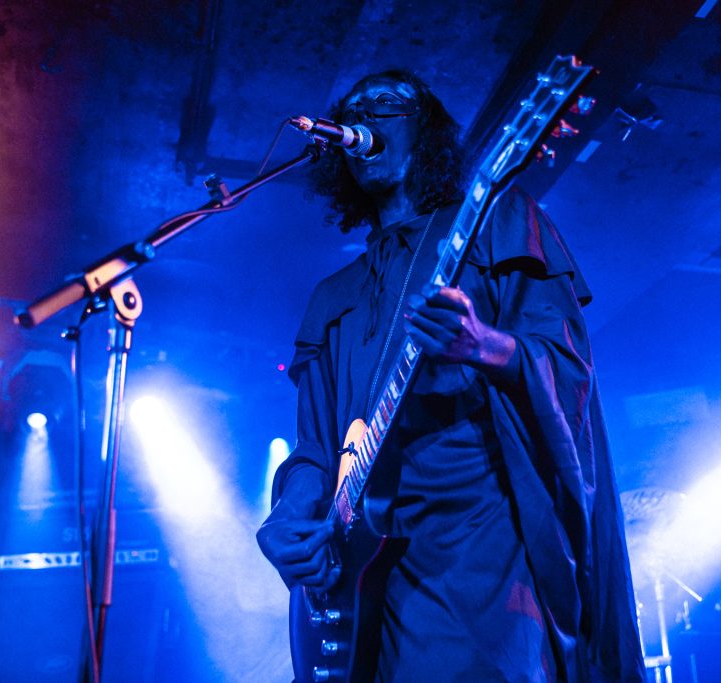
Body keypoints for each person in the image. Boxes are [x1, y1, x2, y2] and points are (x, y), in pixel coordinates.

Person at [257, 69, 645, 683]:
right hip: (364, 576)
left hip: (480, 557)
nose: (364, 117)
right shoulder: (332, 297)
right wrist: (288, 516)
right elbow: (315, 447)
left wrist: (486, 346)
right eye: (354, 108)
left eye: (387, 104)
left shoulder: (499, 222)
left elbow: (569, 369)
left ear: (427, 132)